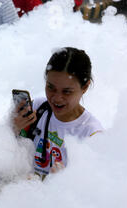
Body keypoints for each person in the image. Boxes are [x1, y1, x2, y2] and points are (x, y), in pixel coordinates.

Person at [12, 47, 103, 179]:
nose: (56, 98)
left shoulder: (91, 134)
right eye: (50, 87)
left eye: (66, 91)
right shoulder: (39, 108)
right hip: (24, 190)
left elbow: (93, 189)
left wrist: (64, 182)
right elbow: (4, 151)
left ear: (85, 87)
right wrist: (14, 129)